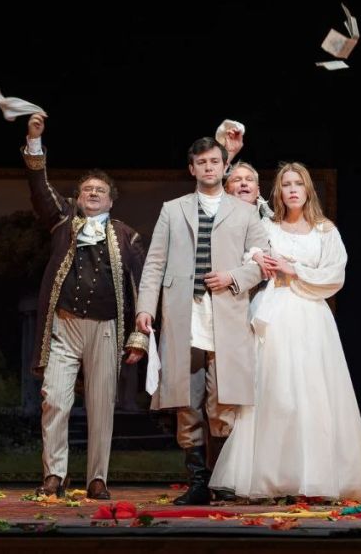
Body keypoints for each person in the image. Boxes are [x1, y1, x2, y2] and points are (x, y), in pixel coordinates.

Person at [211, 163, 361, 502]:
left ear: (307, 190)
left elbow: (335, 275)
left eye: (297, 184)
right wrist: (261, 259)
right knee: (277, 393)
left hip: (311, 315)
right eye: (286, 184)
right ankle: (271, 477)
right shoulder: (266, 226)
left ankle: (315, 477)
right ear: (278, 191)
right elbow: (251, 256)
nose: (292, 190)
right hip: (275, 312)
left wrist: (294, 268)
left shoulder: (325, 230)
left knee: (314, 394)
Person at [135, 137, 271, 505]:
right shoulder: (173, 209)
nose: (209, 167)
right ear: (192, 168)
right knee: (186, 399)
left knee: (223, 400)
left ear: (225, 167)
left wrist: (233, 277)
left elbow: (263, 263)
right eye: (202, 162)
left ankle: (222, 479)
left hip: (227, 312)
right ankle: (197, 481)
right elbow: (155, 262)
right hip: (185, 313)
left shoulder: (245, 213)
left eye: (214, 161)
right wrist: (145, 308)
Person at [22, 113, 147, 500]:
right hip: (64, 325)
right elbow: (40, 190)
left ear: (111, 199)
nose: (93, 193)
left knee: (101, 406)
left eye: (100, 190)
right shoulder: (63, 222)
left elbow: (142, 287)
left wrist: (139, 336)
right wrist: (34, 142)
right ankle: (54, 475)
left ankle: (97, 478)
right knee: (55, 400)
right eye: (87, 189)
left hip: (106, 328)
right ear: (77, 198)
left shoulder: (127, 236)